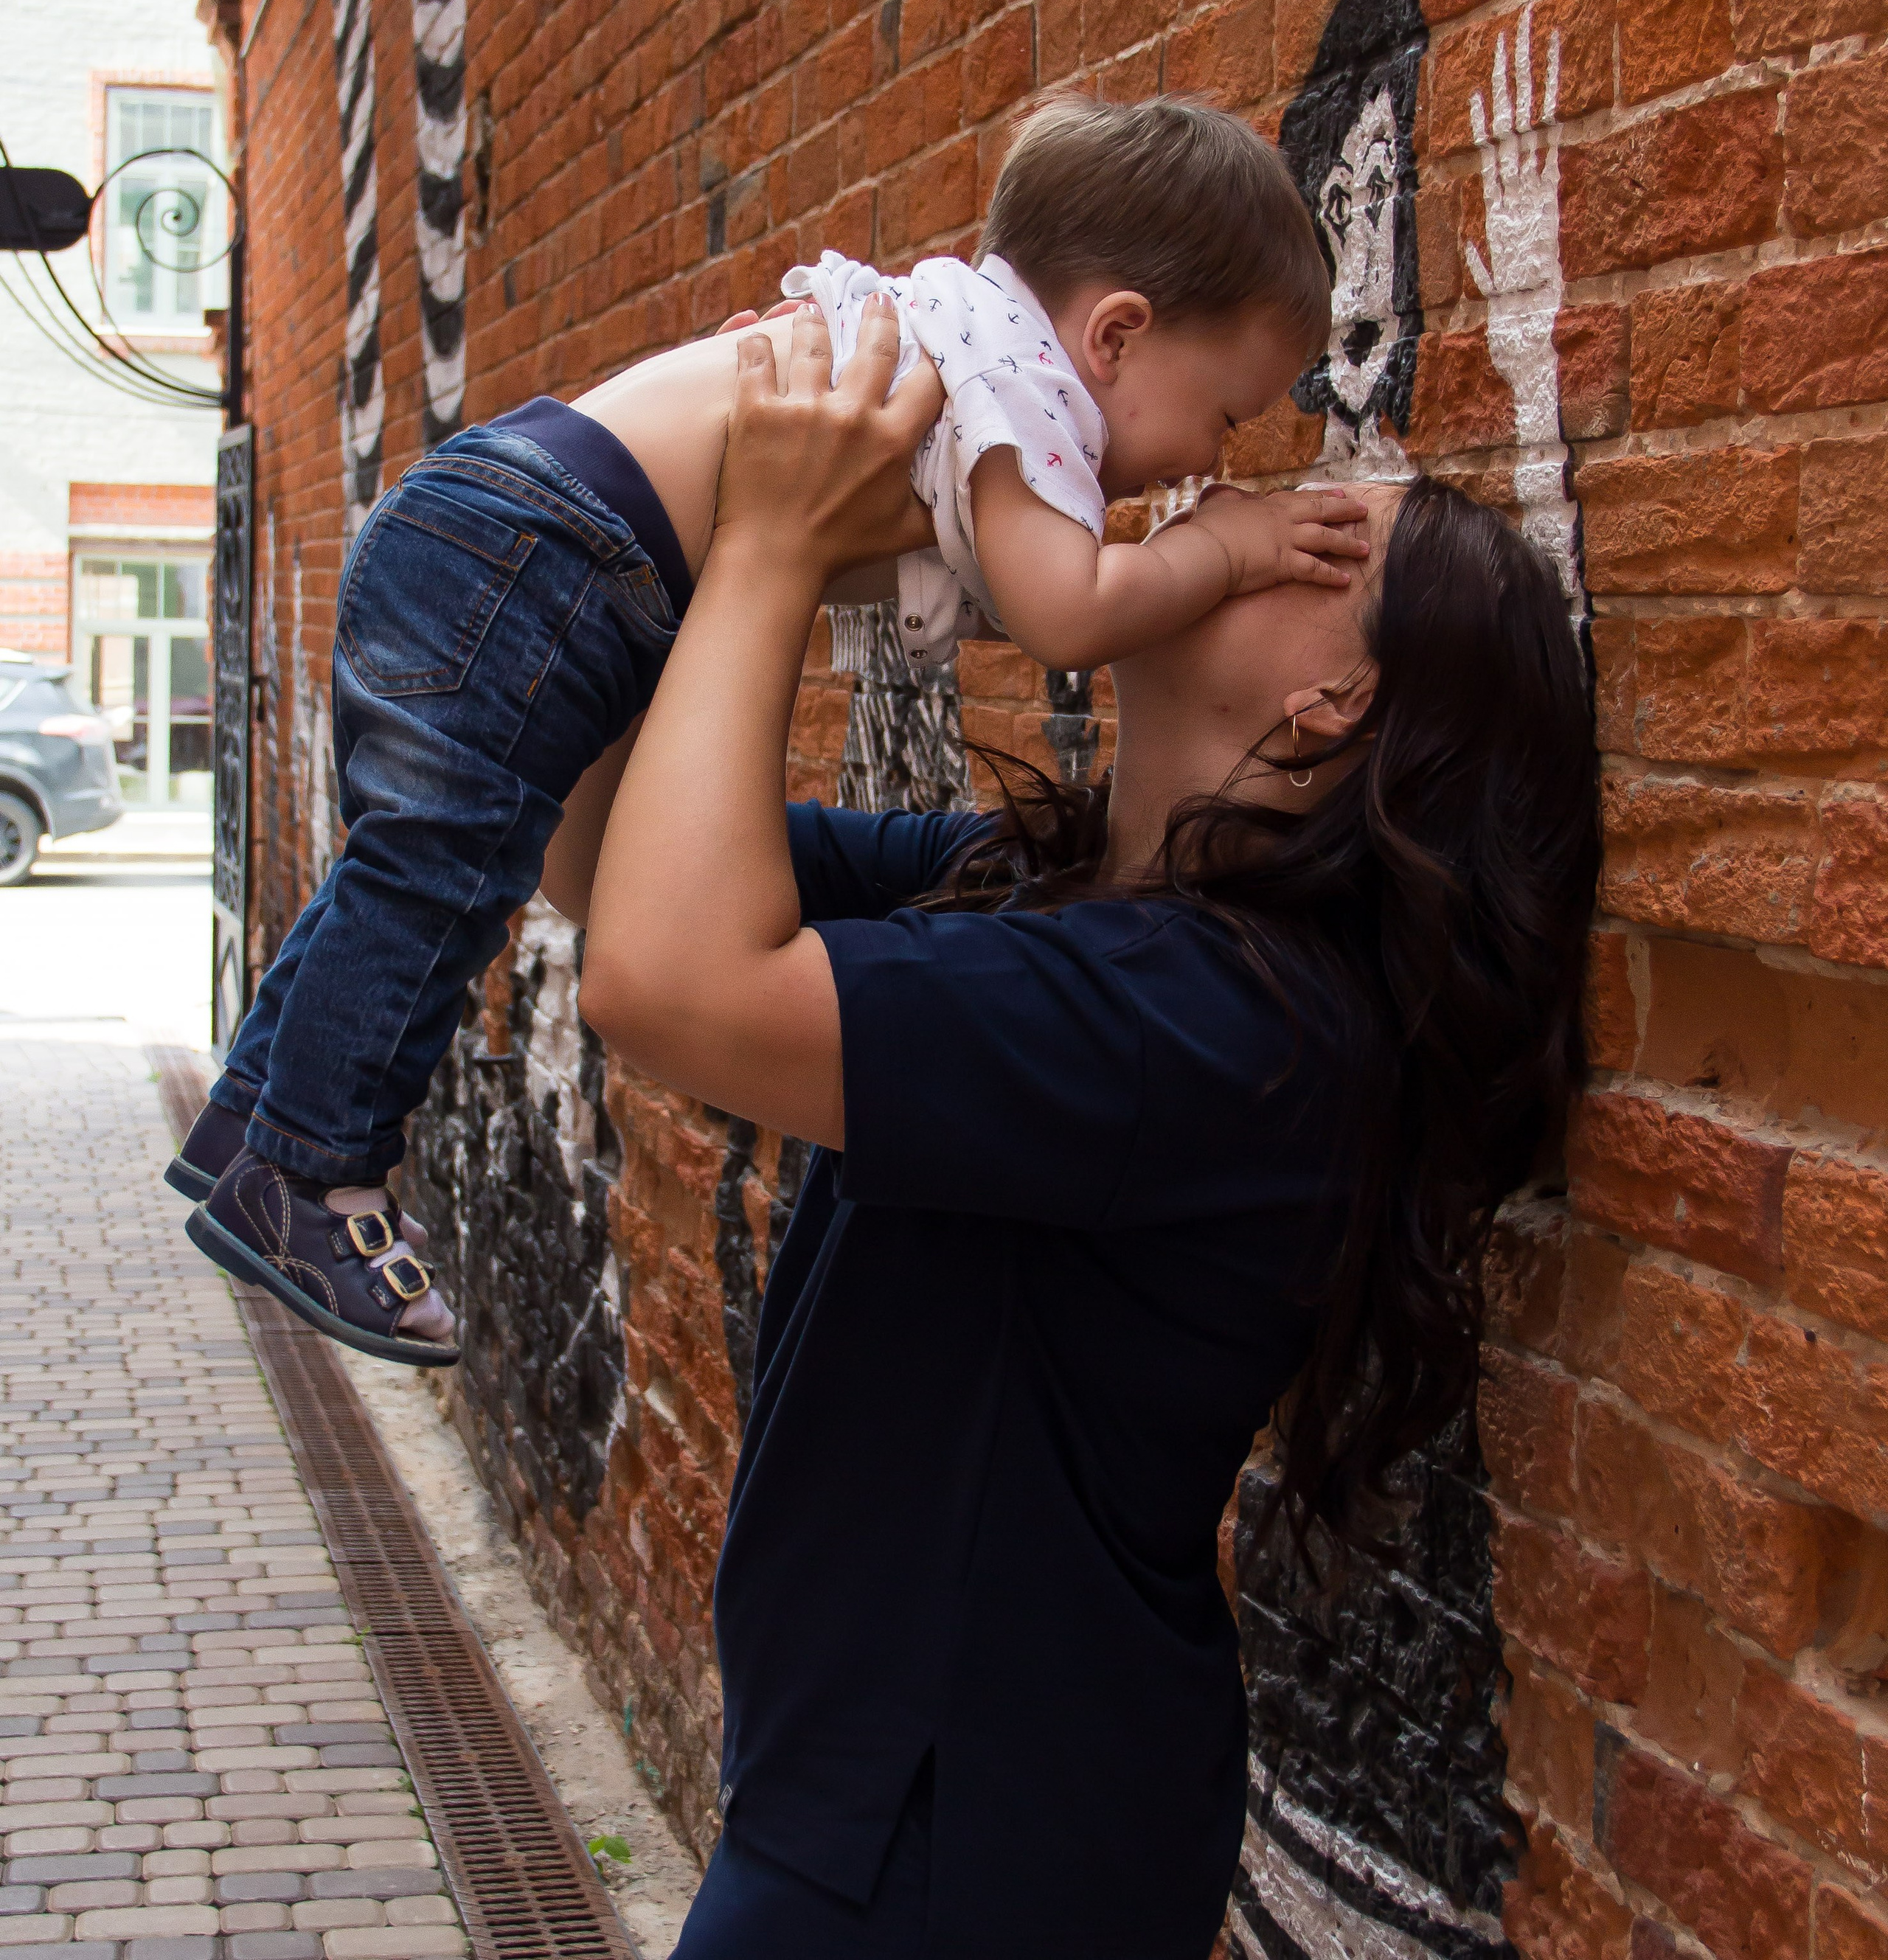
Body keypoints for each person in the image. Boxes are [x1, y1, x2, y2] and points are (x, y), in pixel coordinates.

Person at [558, 301, 1600, 1958]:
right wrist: (699, 511)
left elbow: (666, 980)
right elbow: (597, 851)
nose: (1229, 502)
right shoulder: (1030, 882)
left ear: (1335, 699)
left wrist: (767, 544)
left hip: (967, 1839)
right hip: (889, 1792)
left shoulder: (1220, 1024)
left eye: (1315, 533)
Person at [171, 96, 1368, 1365]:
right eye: (1225, 416)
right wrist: (1228, 548)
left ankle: (252, 1119)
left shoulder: (964, 341)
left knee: (412, 863)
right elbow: (1069, 612)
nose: (1206, 466)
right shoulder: (1019, 394)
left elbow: (977, 590)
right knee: (439, 876)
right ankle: (311, 1175)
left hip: (504, 523)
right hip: (546, 554)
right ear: (1116, 334)